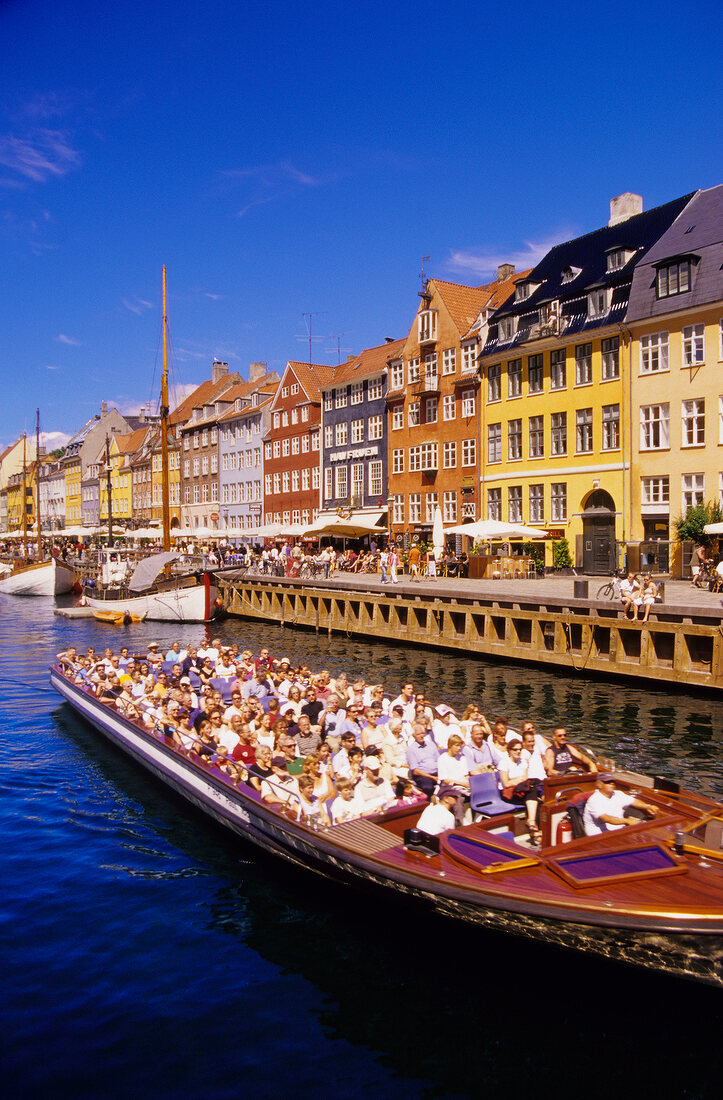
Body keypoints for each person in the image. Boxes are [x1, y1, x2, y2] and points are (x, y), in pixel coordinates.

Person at [498, 738, 543, 845]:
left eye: (520, 749)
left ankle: (533, 827)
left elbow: (525, 779)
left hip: (522, 792)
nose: (518, 752)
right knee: (533, 795)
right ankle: (534, 829)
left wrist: (519, 781)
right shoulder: (504, 763)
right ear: (509, 751)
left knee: (534, 797)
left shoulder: (523, 762)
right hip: (508, 793)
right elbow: (506, 784)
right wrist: (518, 780)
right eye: (515, 749)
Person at [583, 773, 658, 835]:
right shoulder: (594, 800)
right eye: (607, 782)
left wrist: (647, 806)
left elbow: (634, 801)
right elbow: (606, 818)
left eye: (613, 781)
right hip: (598, 836)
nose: (611, 783)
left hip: (619, 832)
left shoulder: (618, 794)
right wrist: (627, 821)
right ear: (599, 785)